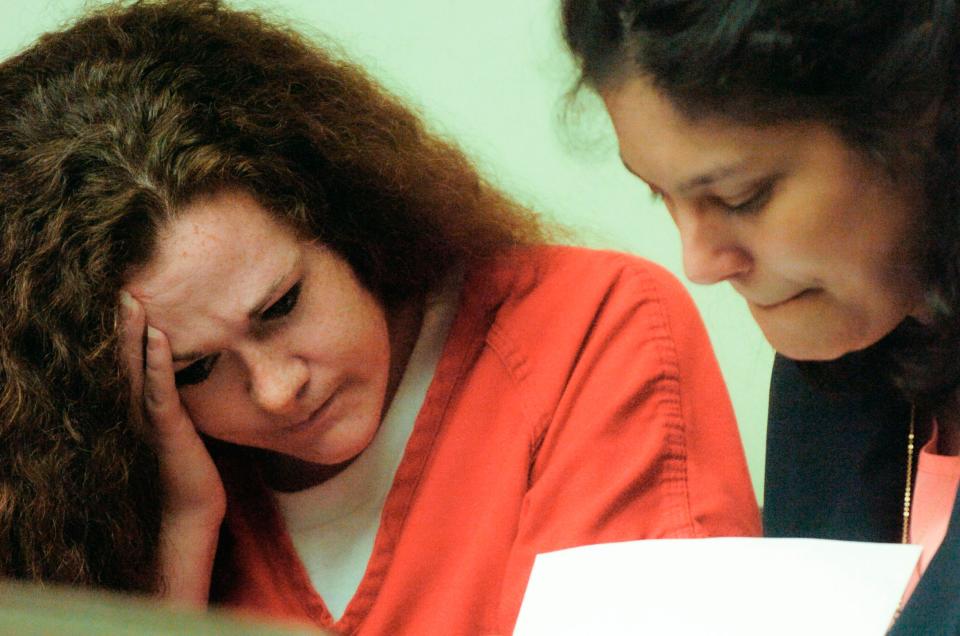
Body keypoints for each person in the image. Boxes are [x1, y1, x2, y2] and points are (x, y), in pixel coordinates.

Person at [0, 0, 760, 633]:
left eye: (281, 307)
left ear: (345, 215)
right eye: (195, 369)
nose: (275, 389)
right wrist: (178, 547)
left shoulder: (585, 329)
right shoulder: (131, 495)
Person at [561, 0, 960, 632]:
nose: (699, 262)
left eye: (741, 197)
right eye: (660, 193)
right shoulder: (835, 371)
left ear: (919, 114)